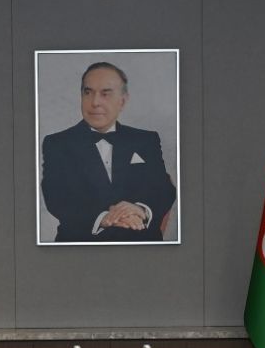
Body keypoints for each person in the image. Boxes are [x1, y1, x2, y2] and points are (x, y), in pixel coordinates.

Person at [40, 60, 177, 242]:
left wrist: (140, 209)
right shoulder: (57, 143)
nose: (95, 102)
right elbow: (56, 197)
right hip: (81, 245)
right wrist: (104, 218)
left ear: (122, 101)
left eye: (105, 94)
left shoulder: (146, 140)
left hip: (141, 243)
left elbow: (163, 188)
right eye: (88, 92)